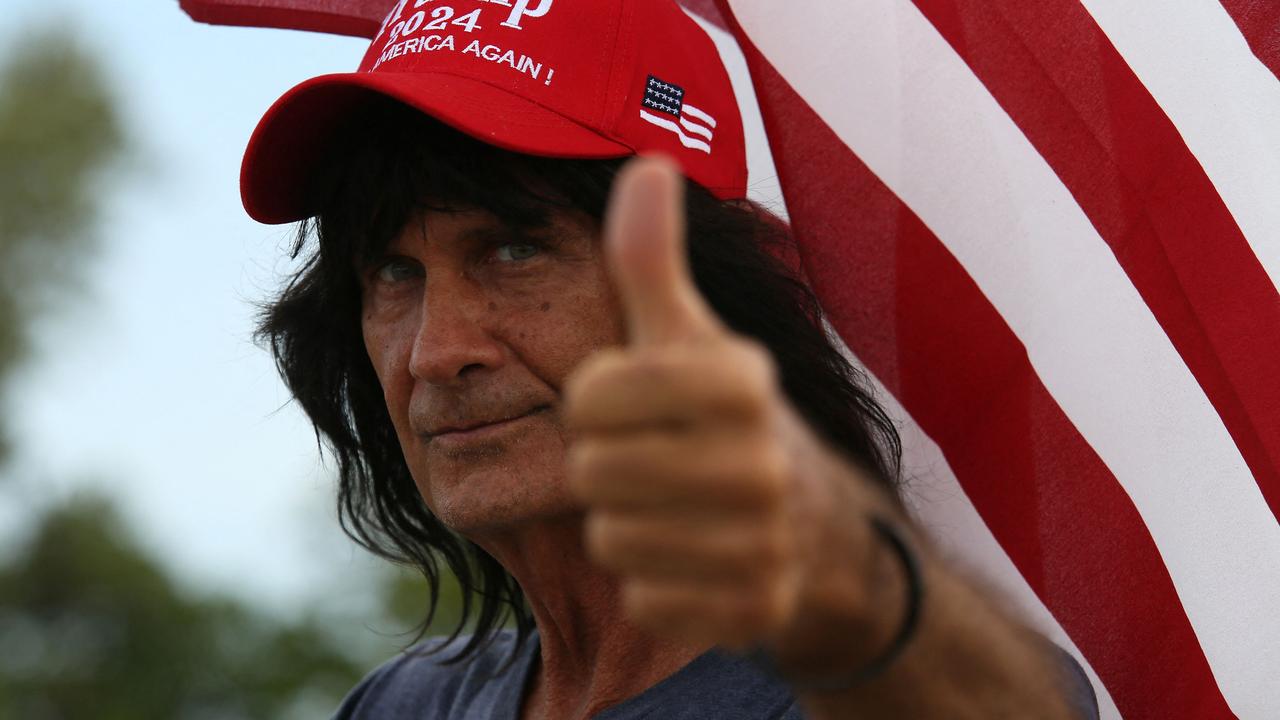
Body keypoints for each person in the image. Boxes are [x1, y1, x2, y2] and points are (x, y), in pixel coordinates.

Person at [242, 1, 1101, 718]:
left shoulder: (891, 687)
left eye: (512, 251)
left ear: (705, 293)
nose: (436, 352)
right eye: (394, 272)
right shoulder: (402, 706)